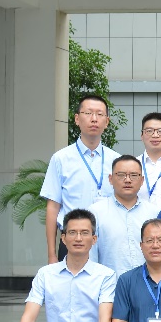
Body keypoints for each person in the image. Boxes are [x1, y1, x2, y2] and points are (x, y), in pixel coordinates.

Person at [41, 93, 120, 262]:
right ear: (77, 119)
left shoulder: (116, 160)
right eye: (88, 113)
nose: (94, 119)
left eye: (100, 114)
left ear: (106, 122)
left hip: (108, 241)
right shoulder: (61, 159)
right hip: (73, 240)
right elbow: (53, 207)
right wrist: (51, 255)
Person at [89, 155, 159, 274]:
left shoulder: (154, 212)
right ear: (110, 179)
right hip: (109, 283)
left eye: (133, 175)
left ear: (142, 180)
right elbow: (91, 255)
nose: (127, 180)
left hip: (147, 283)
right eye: (121, 175)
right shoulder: (96, 212)